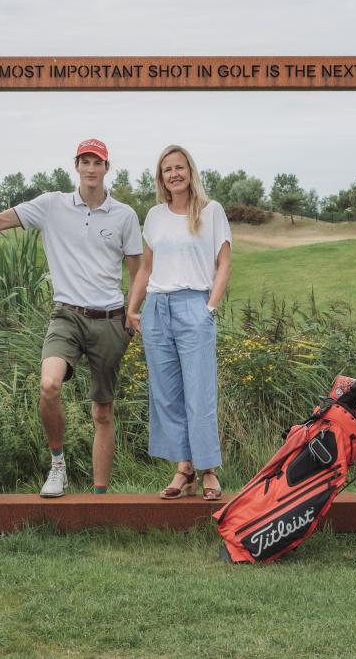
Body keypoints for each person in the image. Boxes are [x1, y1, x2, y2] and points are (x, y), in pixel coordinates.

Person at [0, 138, 141, 497]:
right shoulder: (51, 206)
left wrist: (132, 315)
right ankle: (57, 465)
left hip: (110, 320)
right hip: (66, 316)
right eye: (85, 161)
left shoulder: (124, 215)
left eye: (98, 162)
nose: (91, 168)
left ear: (107, 169)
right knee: (49, 386)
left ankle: (99, 498)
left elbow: (138, 273)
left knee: (103, 413)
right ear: (75, 166)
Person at [127, 145, 232, 501]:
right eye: (167, 169)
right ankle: (184, 467)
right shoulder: (154, 216)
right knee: (167, 395)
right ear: (161, 178)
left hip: (194, 307)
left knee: (199, 393)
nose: (174, 174)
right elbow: (146, 267)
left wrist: (210, 308)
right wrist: (132, 308)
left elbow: (224, 265)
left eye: (179, 167)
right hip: (157, 310)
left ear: (190, 171)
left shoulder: (211, 212)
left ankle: (209, 471)